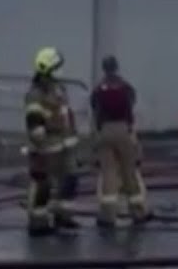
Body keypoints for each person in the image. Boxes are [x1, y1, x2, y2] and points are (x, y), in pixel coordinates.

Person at [23, 47, 80, 235]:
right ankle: (38, 222)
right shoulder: (35, 94)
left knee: (70, 180)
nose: (61, 70)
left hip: (64, 144)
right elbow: (34, 123)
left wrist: (73, 138)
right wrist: (39, 145)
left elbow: (66, 114)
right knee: (44, 185)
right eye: (57, 66)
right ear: (49, 69)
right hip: (46, 146)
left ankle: (63, 216)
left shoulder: (59, 89)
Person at [89, 56, 151, 228]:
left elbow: (95, 108)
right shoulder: (126, 87)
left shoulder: (98, 89)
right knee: (129, 171)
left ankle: (107, 215)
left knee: (108, 172)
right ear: (116, 68)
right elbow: (131, 105)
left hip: (104, 131)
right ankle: (138, 211)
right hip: (124, 129)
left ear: (104, 69)